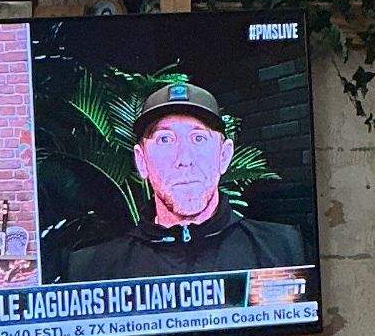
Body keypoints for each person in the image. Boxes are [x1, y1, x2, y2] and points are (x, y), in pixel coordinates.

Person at [64, 81, 305, 279]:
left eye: (199, 138)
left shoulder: (281, 250)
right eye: (165, 140)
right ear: (141, 160)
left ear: (224, 156)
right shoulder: (94, 269)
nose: (184, 159)